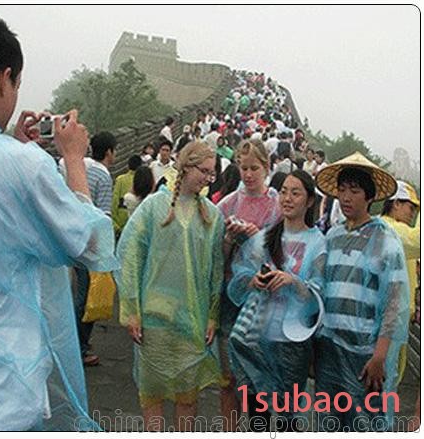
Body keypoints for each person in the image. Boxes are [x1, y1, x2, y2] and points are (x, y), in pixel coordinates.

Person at [0, 10, 118, 431]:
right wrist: (72, 157)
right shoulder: (21, 165)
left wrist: (14, 146)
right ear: (3, 78)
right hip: (1, 399)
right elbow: (91, 244)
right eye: (16, 84)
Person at [115, 141, 224, 431]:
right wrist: (132, 310)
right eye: (204, 171)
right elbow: (129, 256)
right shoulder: (154, 207)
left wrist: (212, 314)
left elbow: (216, 270)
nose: (208, 179)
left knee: (187, 396)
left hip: (193, 317)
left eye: (212, 174)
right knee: (152, 395)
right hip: (155, 317)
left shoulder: (213, 216)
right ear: (186, 166)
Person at [314, 152, 410, 431]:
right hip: (330, 349)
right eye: (342, 190)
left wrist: (380, 355)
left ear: (370, 197)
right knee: (329, 422)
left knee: (364, 425)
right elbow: (319, 290)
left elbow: (395, 303)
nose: (346, 198)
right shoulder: (332, 236)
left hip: (365, 353)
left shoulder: (385, 240)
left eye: (355, 191)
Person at [227, 170, 326, 432]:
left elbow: (319, 294)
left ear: (309, 201)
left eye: (296, 193)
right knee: (258, 420)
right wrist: (253, 282)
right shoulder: (263, 238)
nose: (288, 198)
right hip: (256, 341)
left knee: (287, 421)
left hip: (291, 346)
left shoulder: (318, 243)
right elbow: (240, 276)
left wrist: (293, 282)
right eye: (284, 192)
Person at [216, 140, 282, 428]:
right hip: (231, 297)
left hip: (264, 300)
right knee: (228, 377)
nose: (248, 174)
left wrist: (258, 237)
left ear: (267, 168)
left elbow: (285, 252)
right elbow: (216, 260)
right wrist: (230, 239)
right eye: (243, 168)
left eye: (255, 168)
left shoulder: (278, 205)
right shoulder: (227, 204)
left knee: (257, 377)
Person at [60, 131, 117, 367]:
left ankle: (72, 344)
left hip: (66, 235)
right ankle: (78, 348)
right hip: (89, 244)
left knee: (72, 293)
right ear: (109, 152)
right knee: (86, 297)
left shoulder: (71, 166)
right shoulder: (103, 177)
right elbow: (102, 216)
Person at [380, 181, 420, 382]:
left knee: (393, 375)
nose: (413, 214)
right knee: (388, 375)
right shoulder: (391, 228)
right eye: (411, 207)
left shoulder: (397, 229)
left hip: (400, 317)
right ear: (396, 203)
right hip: (390, 318)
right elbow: (418, 240)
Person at [111, 154, 142, 235]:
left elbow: (114, 201)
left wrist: (115, 225)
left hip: (120, 220)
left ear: (128, 166)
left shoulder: (120, 179)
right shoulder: (141, 180)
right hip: (136, 222)